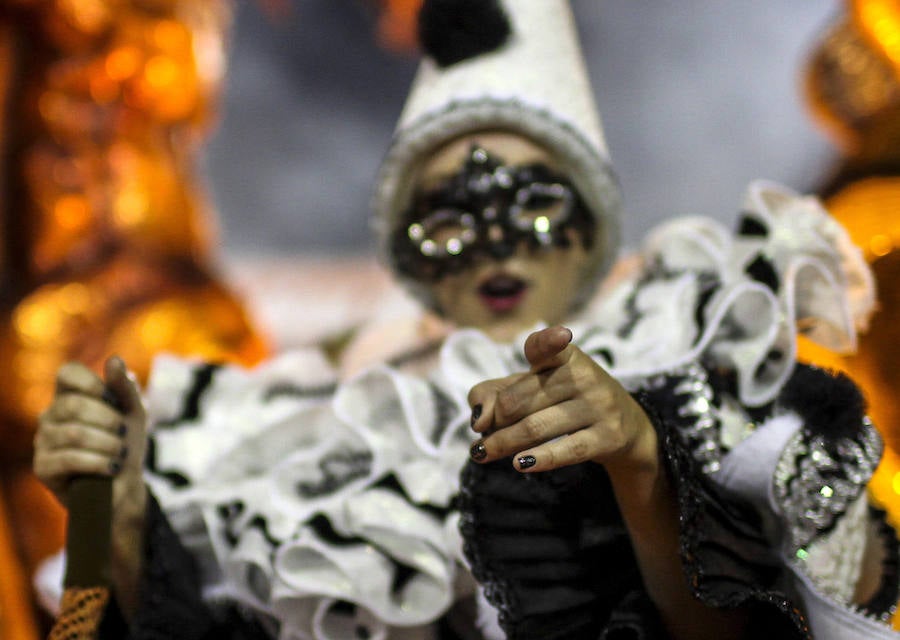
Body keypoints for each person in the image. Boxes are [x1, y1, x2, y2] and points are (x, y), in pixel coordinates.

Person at [33, 0, 899, 638]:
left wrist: (642, 468)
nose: (495, 245)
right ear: (409, 251)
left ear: (593, 228)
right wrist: (115, 523)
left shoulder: (693, 352)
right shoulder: (298, 428)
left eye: (532, 206)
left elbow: (793, 614)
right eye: (448, 216)